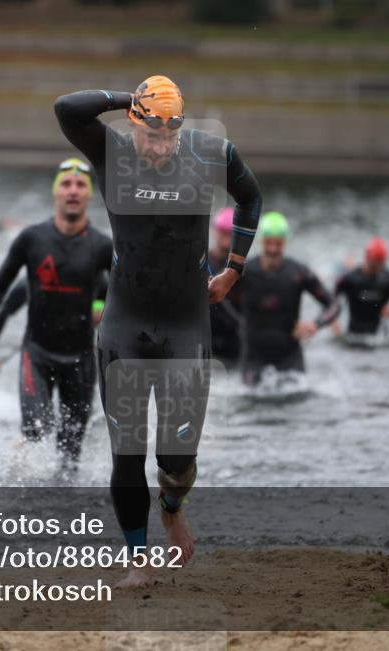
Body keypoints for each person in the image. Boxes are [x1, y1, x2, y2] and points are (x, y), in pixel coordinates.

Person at [55, 75, 262, 588]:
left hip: (185, 324)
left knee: (177, 458)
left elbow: (250, 197)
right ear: (133, 124)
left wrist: (234, 269)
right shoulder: (111, 152)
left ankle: (172, 505)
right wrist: (132, 98)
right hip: (124, 324)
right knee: (127, 453)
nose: (160, 146)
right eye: (151, 134)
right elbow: (67, 107)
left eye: (170, 134)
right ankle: (138, 559)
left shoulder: (210, 154)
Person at [0, 158, 112, 475]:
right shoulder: (32, 239)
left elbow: (122, 296)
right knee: (37, 428)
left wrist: (105, 312)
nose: (73, 190)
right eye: (66, 184)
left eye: (80, 185)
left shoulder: (103, 247)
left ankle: (64, 504)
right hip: (37, 355)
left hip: (80, 360)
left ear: (89, 194)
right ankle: (10, 474)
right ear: (56, 192)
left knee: (70, 457)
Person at [239, 212, 338, 385]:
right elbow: (215, 296)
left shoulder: (298, 273)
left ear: (285, 243)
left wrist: (315, 325)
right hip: (254, 357)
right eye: (269, 242)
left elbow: (333, 304)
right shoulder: (244, 272)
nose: (273, 249)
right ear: (261, 241)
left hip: (290, 357)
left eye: (278, 243)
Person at [333, 236, 389, 338]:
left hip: (378, 338)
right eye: (374, 262)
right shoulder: (350, 278)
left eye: (380, 263)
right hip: (352, 335)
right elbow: (330, 301)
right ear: (367, 258)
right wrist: (333, 322)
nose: (377, 266)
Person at [208, 207, 244, 366]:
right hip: (206, 337)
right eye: (222, 232)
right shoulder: (200, 262)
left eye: (230, 234)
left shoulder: (244, 268)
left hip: (234, 339)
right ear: (214, 231)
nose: (226, 240)